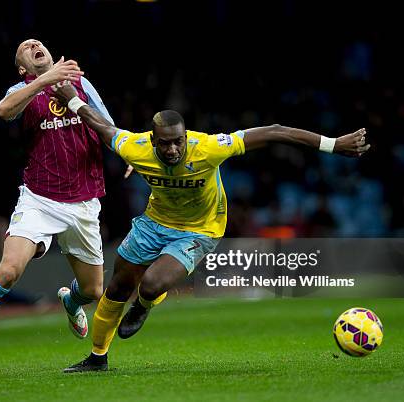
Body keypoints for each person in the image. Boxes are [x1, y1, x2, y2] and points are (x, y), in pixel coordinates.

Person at [50, 81, 370, 372]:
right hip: (154, 223)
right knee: (118, 286)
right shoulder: (136, 147)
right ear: (153, 140)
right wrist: (73, 100)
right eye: (165, 144)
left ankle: (144, 305)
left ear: (186, 137)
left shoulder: (209, 148)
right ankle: (97, 358)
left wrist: (333, 144)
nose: (172, 150)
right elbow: (103, 128)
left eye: (178, 142)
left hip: (200, 229)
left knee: (150, 284)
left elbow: (274, 131)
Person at [0, 39, 115, 380]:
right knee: (9, 270)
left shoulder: (80, 82)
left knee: (93, 291)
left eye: (37, 43)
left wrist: (129, 155)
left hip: (84, 200)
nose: (33, 44)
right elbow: (4, 111)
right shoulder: (21, 90)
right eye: (25, 48)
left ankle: (71, 300)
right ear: (23, 69)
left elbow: (106, 124)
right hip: (39, 198)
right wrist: (46, 80)